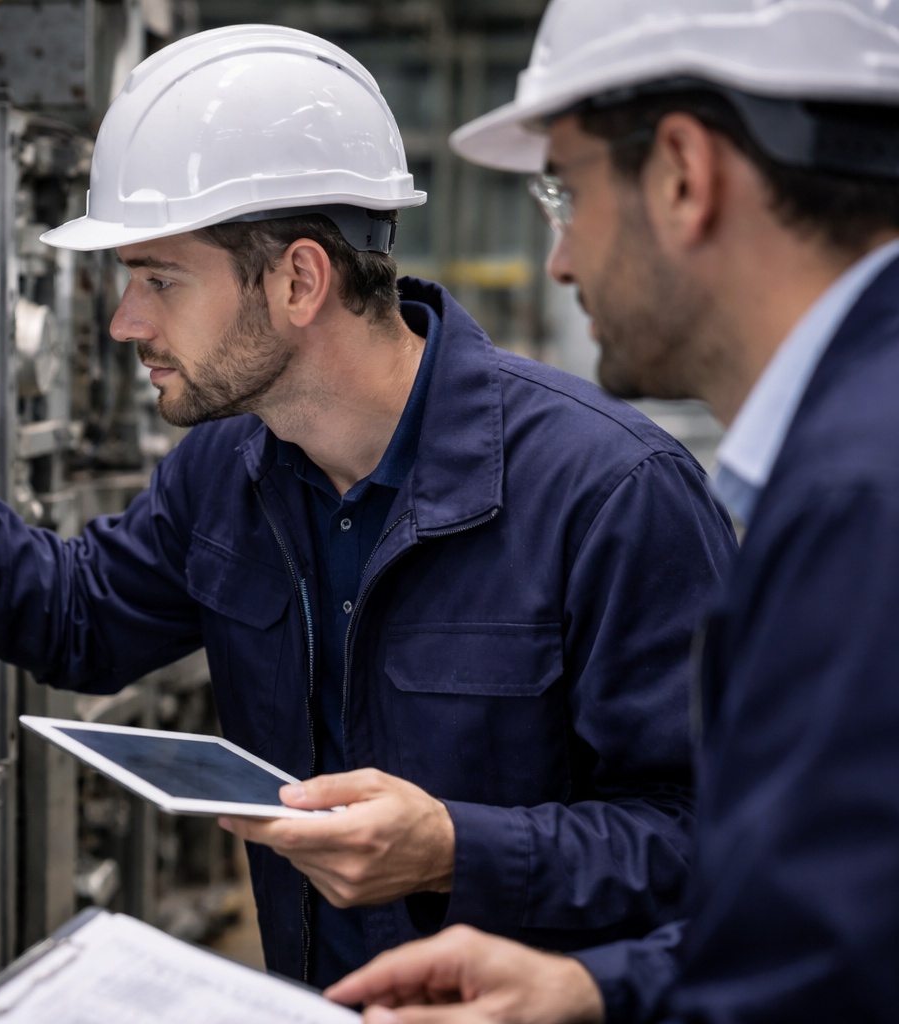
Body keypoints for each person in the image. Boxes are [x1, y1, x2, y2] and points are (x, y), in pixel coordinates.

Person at [0, 25, 736, 988]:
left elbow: (712, 840)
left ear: (300, 279)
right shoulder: (229, 467)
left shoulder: (613, 494)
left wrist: (461, 847)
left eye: (159, 279)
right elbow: (75, 620)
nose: (128, 322)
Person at [324, 1, 899, 1020]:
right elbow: (835, 932)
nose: (561, 260)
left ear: (683, 173)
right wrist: (598, 986)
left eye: (566, 190)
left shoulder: (862, 499)